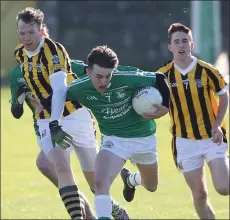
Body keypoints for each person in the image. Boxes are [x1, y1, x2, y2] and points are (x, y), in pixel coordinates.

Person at [13, 9, 130, 218]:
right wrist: (23, 100)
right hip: (46, 121)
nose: (26, 38)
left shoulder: (54, 51)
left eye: (30, 32)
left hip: (74, 116)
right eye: (22, 33)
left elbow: (59, 89)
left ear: (41, 31)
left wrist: (55, 122)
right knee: (59, 165)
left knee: (95, 181)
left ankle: (113, 208)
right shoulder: (19, 54)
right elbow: (31, 91)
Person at [66, 45, 170, 219]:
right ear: (89, 72)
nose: (103, 82)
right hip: (114, 140)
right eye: (98, 76)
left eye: (108, 76)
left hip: (143, 138)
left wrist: (165, 107)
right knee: (100, 182)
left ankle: (131, 180)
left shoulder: (127, 77)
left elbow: (159, 78)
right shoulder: (79, 88)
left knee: (151, 185)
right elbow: (56, 97)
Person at [154, 23, 228, 219]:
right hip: (184, 141)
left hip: (211, 136)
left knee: (224, 187)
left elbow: (224, 95)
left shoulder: (206, 71)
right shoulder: (162, 75)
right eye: (176, 41)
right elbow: (159, 103)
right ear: (170, 46)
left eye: (185, 41)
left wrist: (218, 124)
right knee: (200, 194)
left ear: (191, 44)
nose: (181, 45)